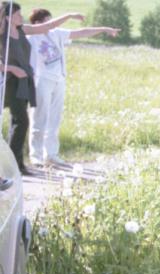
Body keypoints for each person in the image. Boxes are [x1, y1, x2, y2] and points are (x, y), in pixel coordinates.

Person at [26, 8, 119, 168]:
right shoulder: (31, 37)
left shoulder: (56, 33)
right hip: (41, 80)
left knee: (54, 120)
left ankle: (51, 155)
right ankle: (36, 156)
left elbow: (81, 33)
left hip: (59, 79)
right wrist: (68, 15)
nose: (52, 24)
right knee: (39, 118)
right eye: (48, 21)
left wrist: (104, 29)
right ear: (37, 23)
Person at [0, 3, 83, 174]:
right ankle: (13, 166)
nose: (21, 17)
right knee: (21, 121)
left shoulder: (22, 30)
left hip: (24, 82)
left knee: (19, 122)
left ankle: (16, 165)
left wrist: (69, 15)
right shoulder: (2, 34)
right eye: (17, 14)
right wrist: (12, 68)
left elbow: (47, 26)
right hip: (10, 81)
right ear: (8, 17)